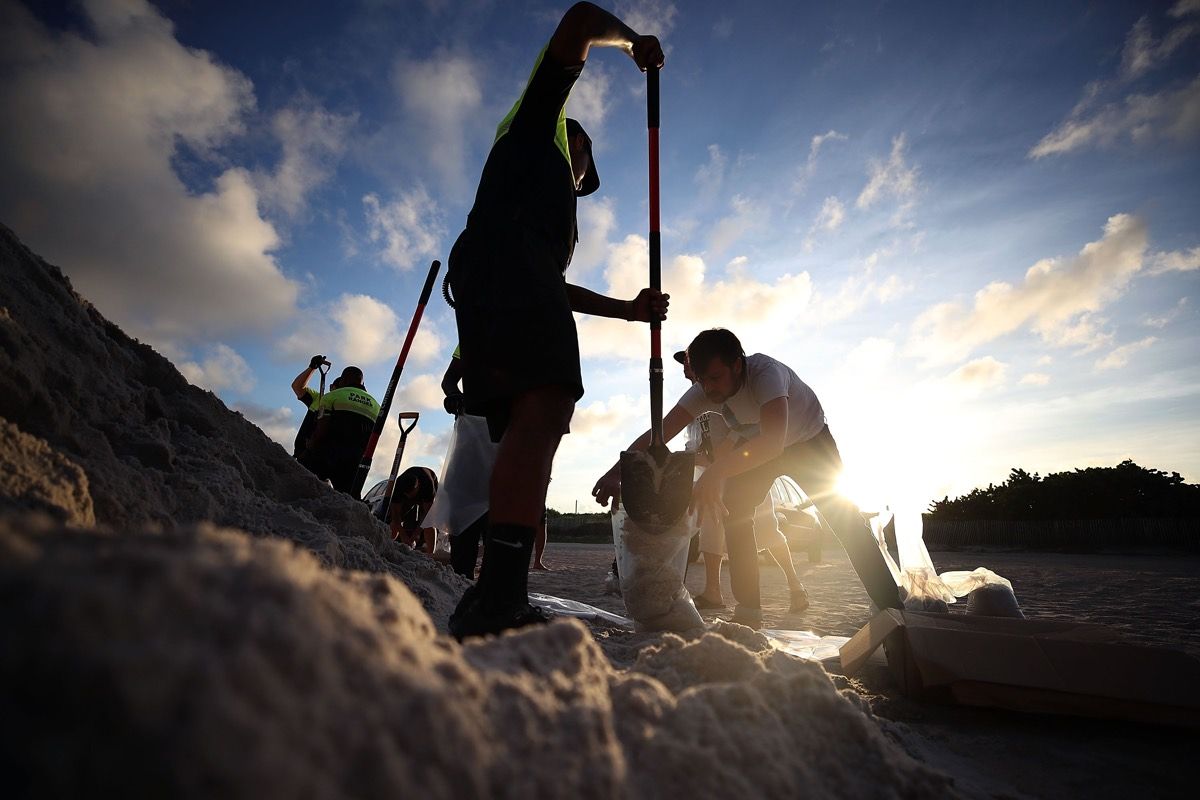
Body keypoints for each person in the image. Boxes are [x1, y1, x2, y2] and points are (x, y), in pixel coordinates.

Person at [446, 2, 667, 639]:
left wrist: (627, 310)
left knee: (531, 416)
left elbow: (549, 289)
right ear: (575, 141)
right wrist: (632, 44)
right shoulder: (540, 122)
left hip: (492, 268)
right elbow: (579, 19)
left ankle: (497, 592)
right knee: (545, 407)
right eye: (582, 166)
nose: (578, 178)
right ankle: (497, 595)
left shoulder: (535, 211)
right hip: (503, 258)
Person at [594, 329, 901, 629]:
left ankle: (890, 604)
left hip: (807, 441)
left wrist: (716, 472)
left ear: (737, 365)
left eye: (715, 378)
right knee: (736, 513)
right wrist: (614, 472)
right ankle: (749, 610)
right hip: (754, 445)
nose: (709, 389)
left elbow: (773, 443)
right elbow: (661, 432)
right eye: (702, 380)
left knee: (843, 518)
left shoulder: (766, 374)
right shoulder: (704, 389)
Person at [673, 351, 809, 614]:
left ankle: (795, 585)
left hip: (743, 470)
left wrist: (700, 459)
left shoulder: (722, 394)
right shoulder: (695, 401)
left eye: (690, 363)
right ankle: (714, 591)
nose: (686, 369)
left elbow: (736, 437)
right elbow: (694, 438)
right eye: (685, 364)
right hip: (709, 472)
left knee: (768, 532)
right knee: (711, 528)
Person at [298, 366, 380, 495]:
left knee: (305, 487)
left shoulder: (332, 396)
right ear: (362, 383)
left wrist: (308, 449)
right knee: (349, 498)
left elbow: (321, 429)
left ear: (344, 380)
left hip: (328, 455)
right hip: (356, 461)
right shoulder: (376, 406)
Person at [290, 354, 334, 460]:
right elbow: (297, 387)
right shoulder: (319, 398)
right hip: (301, 454)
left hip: (322, 459)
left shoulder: (343, 405)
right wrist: (312, 368)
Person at [390, 465, 439, 550]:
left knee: (429, 523)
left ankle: (431, 553)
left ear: (417, 486)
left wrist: (414, 537)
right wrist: (404, 536)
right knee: (394, 522)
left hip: (428, 485)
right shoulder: (398, 486)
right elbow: (396, 515)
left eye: (411, 493)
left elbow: (427, 516)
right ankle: (387, 544)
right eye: (407, 494)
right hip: (407, 490)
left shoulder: (427, 485)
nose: (410, 496)